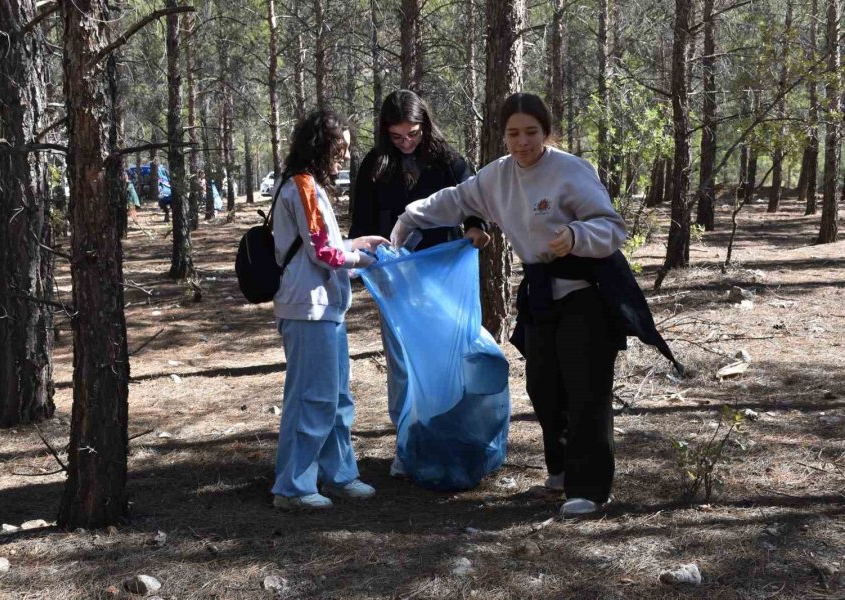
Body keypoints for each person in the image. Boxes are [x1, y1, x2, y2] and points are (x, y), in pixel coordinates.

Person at [391, 92, 679, 517]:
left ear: (546, 132)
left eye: (531, 132)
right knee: (543, 385)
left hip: (588, 288)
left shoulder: (570, 171)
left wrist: (577, 237)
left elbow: (611, 227)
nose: (522, 142)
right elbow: (454, 200)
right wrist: (409, 218)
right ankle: (561, 470)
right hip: (541, 291)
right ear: (503, 136)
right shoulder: (497, 177)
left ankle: (590, 487)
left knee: (586, 389)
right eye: (513, 134)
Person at [349, 89, 490, 478]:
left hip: (442, 275)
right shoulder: (375, 166)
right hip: (394, 281)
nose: (406, 142)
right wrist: (369, 266)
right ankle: (406, 443)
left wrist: (477, 227)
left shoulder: (447, 160)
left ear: (425, 126)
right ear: (384, 133)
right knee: (401, 364)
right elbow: (360, 225)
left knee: (446, 358)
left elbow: (474, 199)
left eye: (412, 134)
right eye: (397, 136)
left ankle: (449, 436)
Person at [271, 108, 388, 510]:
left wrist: (360, 244)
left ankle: (338, 474)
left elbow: (326, 246)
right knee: (310, 398)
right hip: (308, 310)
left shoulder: (310, 188)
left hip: (326, 309)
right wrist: (363, 260)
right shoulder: (302, 186)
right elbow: (323, 252)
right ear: (321, 147)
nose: (344, 157)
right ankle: (293, 486)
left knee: (337, 397)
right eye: (340, 149)